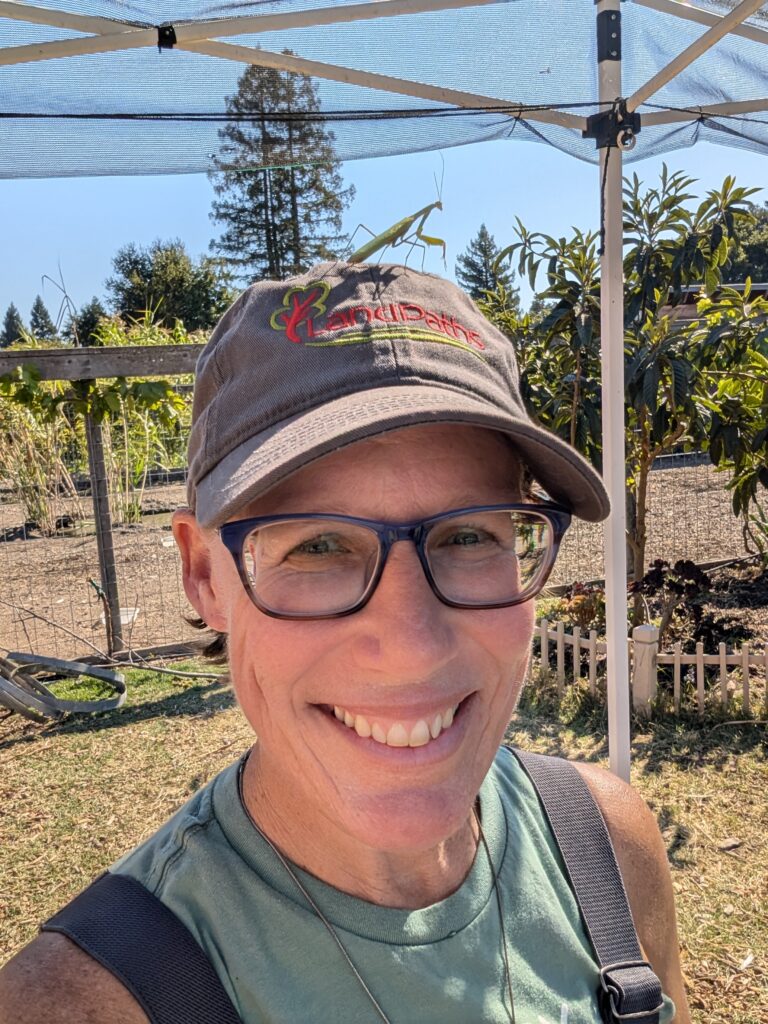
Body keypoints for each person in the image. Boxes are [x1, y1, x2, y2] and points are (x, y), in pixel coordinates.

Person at [0, 262, 690, 1023]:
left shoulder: (609, 850)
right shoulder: (83, 1002)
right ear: (204, 574)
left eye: (469, 534)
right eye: (318, 547)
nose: (411, 645)